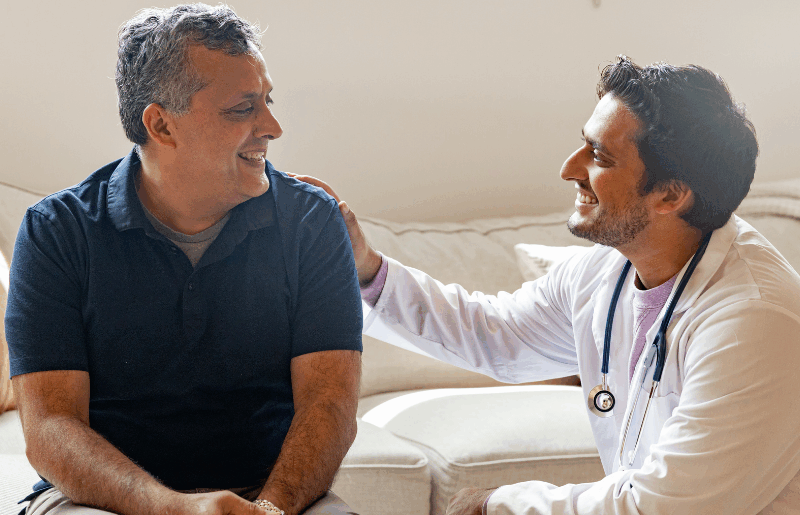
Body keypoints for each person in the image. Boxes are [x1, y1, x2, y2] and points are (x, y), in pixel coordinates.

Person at [295, 56, 800, 514]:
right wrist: (364, 267)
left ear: (670, 194)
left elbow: (666, 507)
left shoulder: (755, 319)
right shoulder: (608, 271)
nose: (568, 169)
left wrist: (500, 505)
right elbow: (495, 333)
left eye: (599, 156)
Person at [5, 4, 363, 515]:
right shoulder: (57, 231)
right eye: (243, 109)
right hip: (104, 502)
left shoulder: (311, 222)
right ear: (161, 125)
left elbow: (328, 405)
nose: (273, 127)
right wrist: (173, 509)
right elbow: (50, 427)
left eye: (267, 102)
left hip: (273, 498)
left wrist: (268, 509)